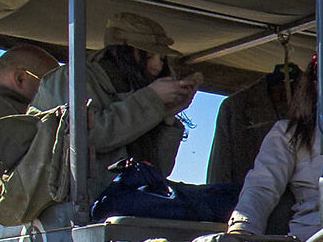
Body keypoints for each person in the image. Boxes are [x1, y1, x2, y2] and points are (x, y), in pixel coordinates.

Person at [28, 11, 200, 188]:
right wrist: (151, 99)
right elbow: (83, 138)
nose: (157, 66)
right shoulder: (72, 79)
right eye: (148, 56)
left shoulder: (138, 93)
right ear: (121, 52)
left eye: (162, 59)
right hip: (69, 206)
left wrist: (168, 117)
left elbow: (158, 170)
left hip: (121, 203)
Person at [227, 60, 321, 237]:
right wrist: (243, 226)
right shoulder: (291, 133)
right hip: (318, 235)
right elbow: (262, 185)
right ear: (315, 85)